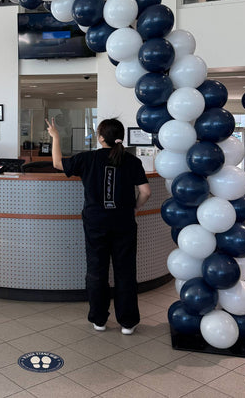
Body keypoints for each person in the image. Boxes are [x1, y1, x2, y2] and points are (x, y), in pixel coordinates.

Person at [46, 117, 151, 335]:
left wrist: (55, 136)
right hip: (124, 223)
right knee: (126, 272)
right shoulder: (132, 161)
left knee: (96, 271)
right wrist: (134, 209)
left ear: (101, 137)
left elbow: (57, 163)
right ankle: (128, 323)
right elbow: (145, 192)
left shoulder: (88, 159)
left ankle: (99, 320)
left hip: (95, 224)